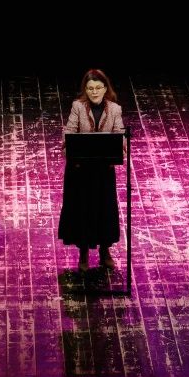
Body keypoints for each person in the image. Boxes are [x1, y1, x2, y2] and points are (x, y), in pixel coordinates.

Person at [58, 69, 124, 271]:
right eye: (90, 88)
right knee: (82, 210)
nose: (94, 92)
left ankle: (105, 251)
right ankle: (84, 252)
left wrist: (120, 147)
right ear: (85, 90)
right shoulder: (77, 106)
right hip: (80, 170)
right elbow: (68, 133)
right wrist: (71, 152)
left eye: (97, 88)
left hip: (103, 170)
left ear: (105, 88)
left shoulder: (115, 109)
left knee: (104, 210)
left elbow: (119, 134)